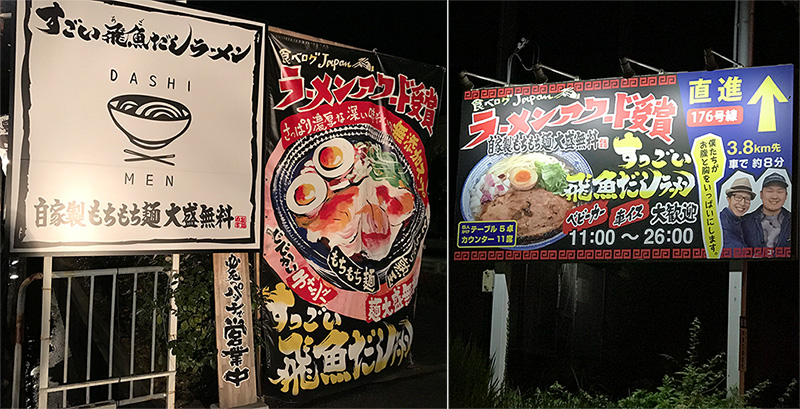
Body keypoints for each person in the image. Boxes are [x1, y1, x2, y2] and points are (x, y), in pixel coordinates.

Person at [742, 172, 792, 249]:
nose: (774, 196)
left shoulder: (795, 220)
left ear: (786, 196)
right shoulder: (744, 222)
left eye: (780, 191)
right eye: (770, 191)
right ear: (761, 194)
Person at [719, 177, 754, 249]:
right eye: (738, 197)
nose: (742, 203)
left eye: (747, 199)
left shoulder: (742, 221)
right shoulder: (721, 222)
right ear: (728, 199)